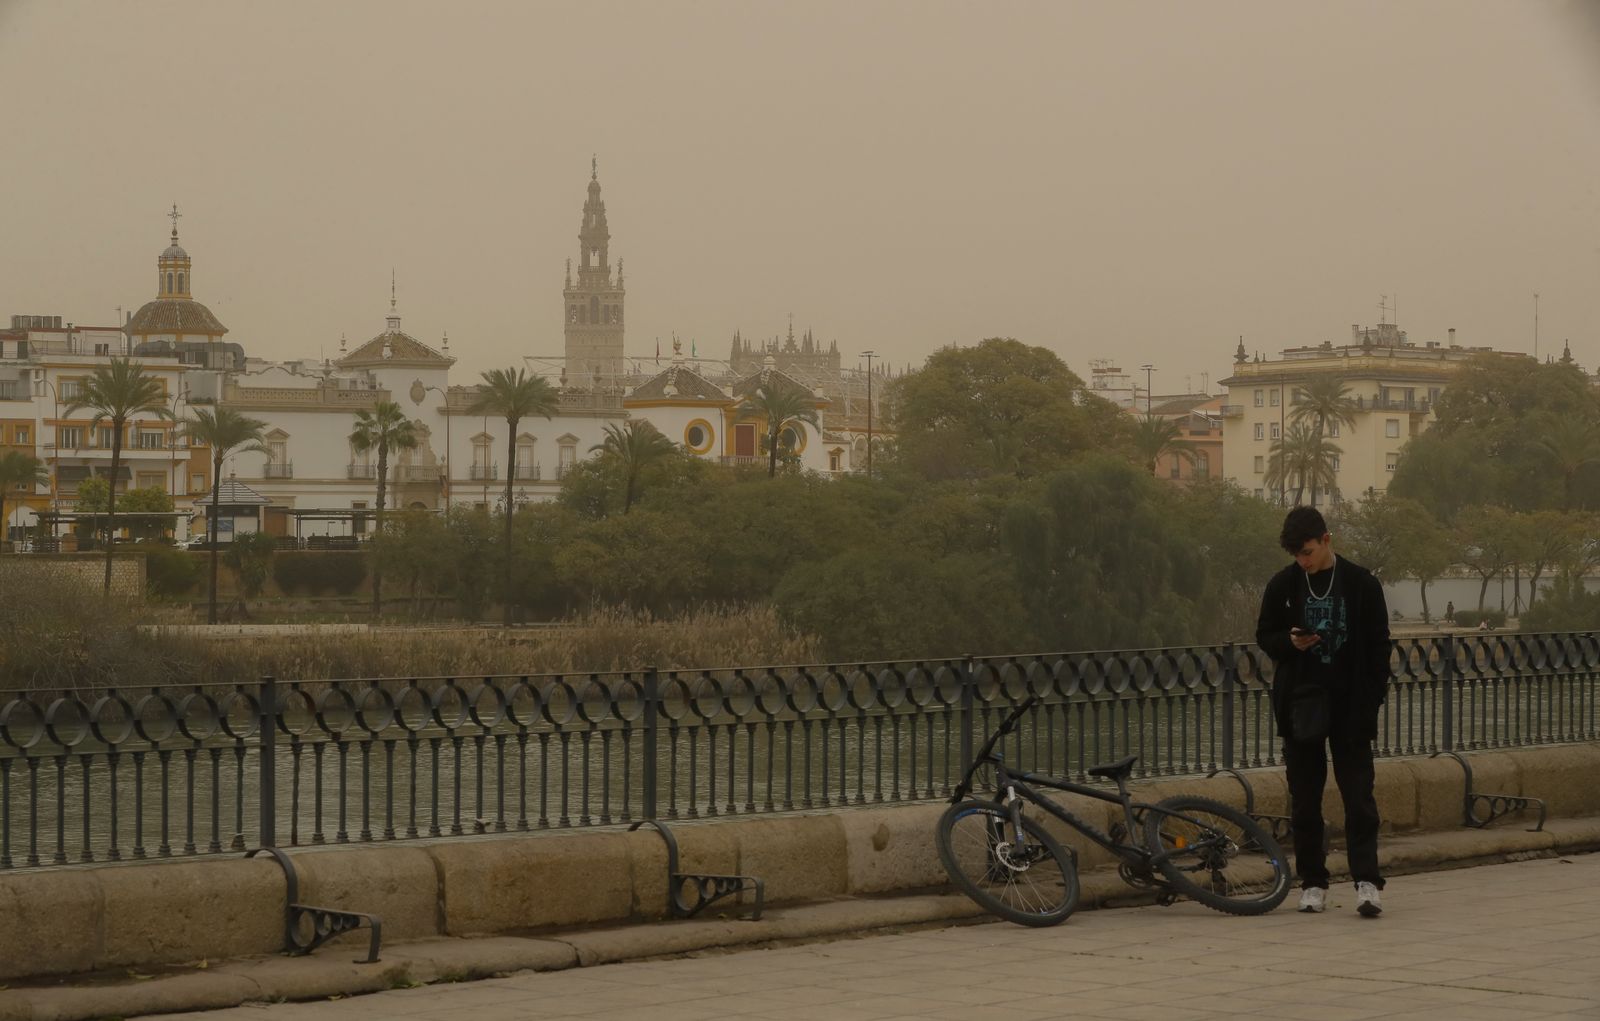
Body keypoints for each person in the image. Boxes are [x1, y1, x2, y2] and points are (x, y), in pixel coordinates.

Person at [1256, 506, 1392, 917]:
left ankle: (1367, 881)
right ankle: (1312, 882)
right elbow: (1265, 635)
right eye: (1297, 554)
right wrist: (1290, 643)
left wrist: (1371, 701)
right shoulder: (1283, 584)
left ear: (1327, 540)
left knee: (1359, 798)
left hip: (1351, 706)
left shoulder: (1361, 583)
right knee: (1304, 800)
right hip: (1301, 706)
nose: (1304, 560)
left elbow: (1379, 647)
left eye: (1309, 552)